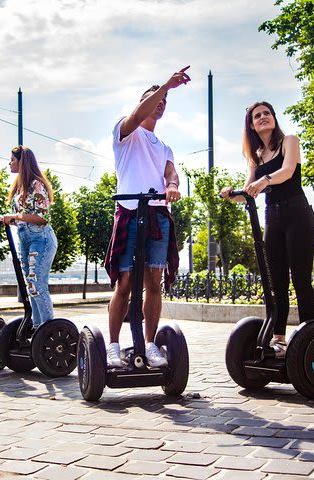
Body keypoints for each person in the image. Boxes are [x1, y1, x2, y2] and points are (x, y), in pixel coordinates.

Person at [103, 67, 190, 368]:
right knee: (125, 282)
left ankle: (150, 344)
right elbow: (138, 116)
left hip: (157, 214)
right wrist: (166, 85)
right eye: (155, 98)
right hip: (129, 211)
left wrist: (174, 185)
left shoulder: (163, 146)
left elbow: (170, 172)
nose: (160, 102)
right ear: (143, 102)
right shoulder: (126, 131)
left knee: (154, 281)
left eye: (164, 100)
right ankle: (113, 346)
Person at [220, 101, 314, 358]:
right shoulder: (256, 157)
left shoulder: (289, 141)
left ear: (274, 118)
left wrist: (264, 181)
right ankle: (279, 340)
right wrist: (232, 194)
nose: (263, 118)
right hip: (272, 218)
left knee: (301, 279)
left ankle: (309, 335)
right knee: (277, 283)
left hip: (298, 214)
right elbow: (248, 192)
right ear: (251, 125)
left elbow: (287, 171)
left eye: (267, 113)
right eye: (257, 116)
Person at [0, 146, 57, 329]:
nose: (9, 163)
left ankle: (48, 330)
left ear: (22, 161)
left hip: (40, 239)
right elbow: (22, 216)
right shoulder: (20, 187)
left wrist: (15, 217)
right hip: (25, 238)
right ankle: (37, 328)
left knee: (36, 284)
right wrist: (1, 219)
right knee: (29, 285)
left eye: (12, 160)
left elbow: (42, 218)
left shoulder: (36, 184)